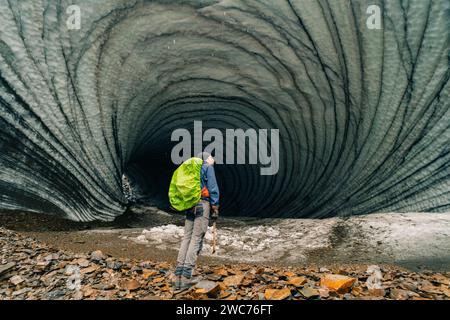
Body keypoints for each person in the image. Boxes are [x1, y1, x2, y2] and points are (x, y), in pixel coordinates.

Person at [173, 152, 219, 290]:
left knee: (187, 237)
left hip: (190, 204)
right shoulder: (207, 167)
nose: (213, 158)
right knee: (196, 238)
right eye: (211, 156)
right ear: (206, 159)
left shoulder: (191, 168)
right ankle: (187, 276)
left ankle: (178, 276)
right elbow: (212, 188)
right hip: (202, 204)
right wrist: (215, 207)